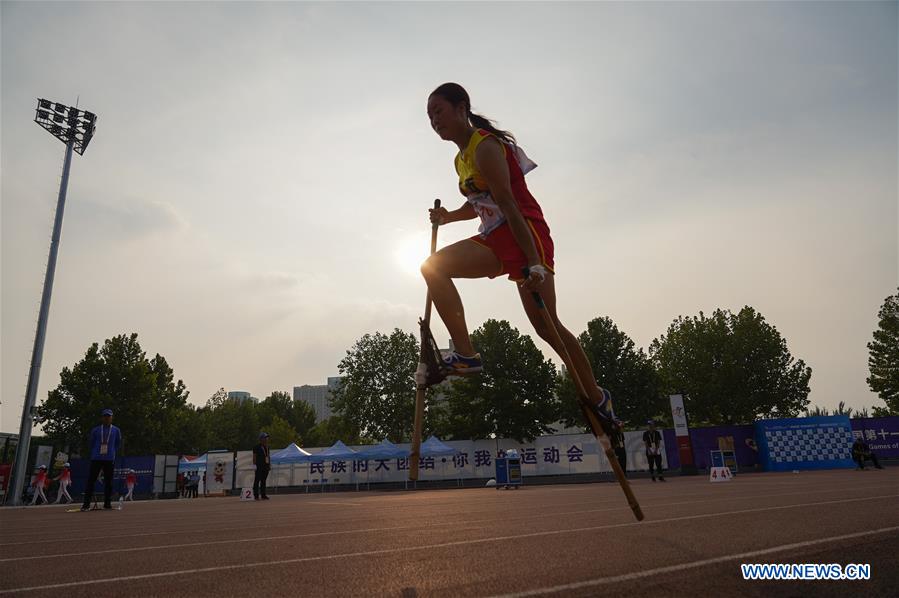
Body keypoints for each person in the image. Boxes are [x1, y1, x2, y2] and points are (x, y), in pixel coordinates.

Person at [421, 83, 616, 434]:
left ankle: (597, 397)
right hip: (494, 237)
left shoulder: (486, 146)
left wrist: (534, 263)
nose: (434, 120)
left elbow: (509, 204)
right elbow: (480, 202)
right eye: (429, 116)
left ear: (462, 107)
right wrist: (450, 216)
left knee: (547, 327)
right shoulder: (459, 158)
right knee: (432, 267)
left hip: (525, 233)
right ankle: (466, 355)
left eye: (439, 111)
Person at [81, 408, 123, 511]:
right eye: (105, 416)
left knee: (109, 482)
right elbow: (91, 443)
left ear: (112, 418)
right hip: (96, 457)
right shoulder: (96, 430)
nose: (107, 418)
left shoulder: (116, 430)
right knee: (91, 480)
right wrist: (95, 451)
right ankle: (86, 505)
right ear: (102, 418)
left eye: (109, 416)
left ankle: (107, 504)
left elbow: (118, 443)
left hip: (109, 458)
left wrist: (112, 451)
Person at [252, 432, 271, 500]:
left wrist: (269, 465)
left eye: (267, 438)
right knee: (257, 480)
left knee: (263, 481)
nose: (266, 439)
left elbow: (268, 456)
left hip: (265, 466)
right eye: (265, 438)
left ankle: (263, 495)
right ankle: (256, 495)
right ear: (261, 439)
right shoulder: (256, 447)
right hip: (259, 466)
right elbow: (254, 457)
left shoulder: (267, 447)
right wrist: (254, 466)